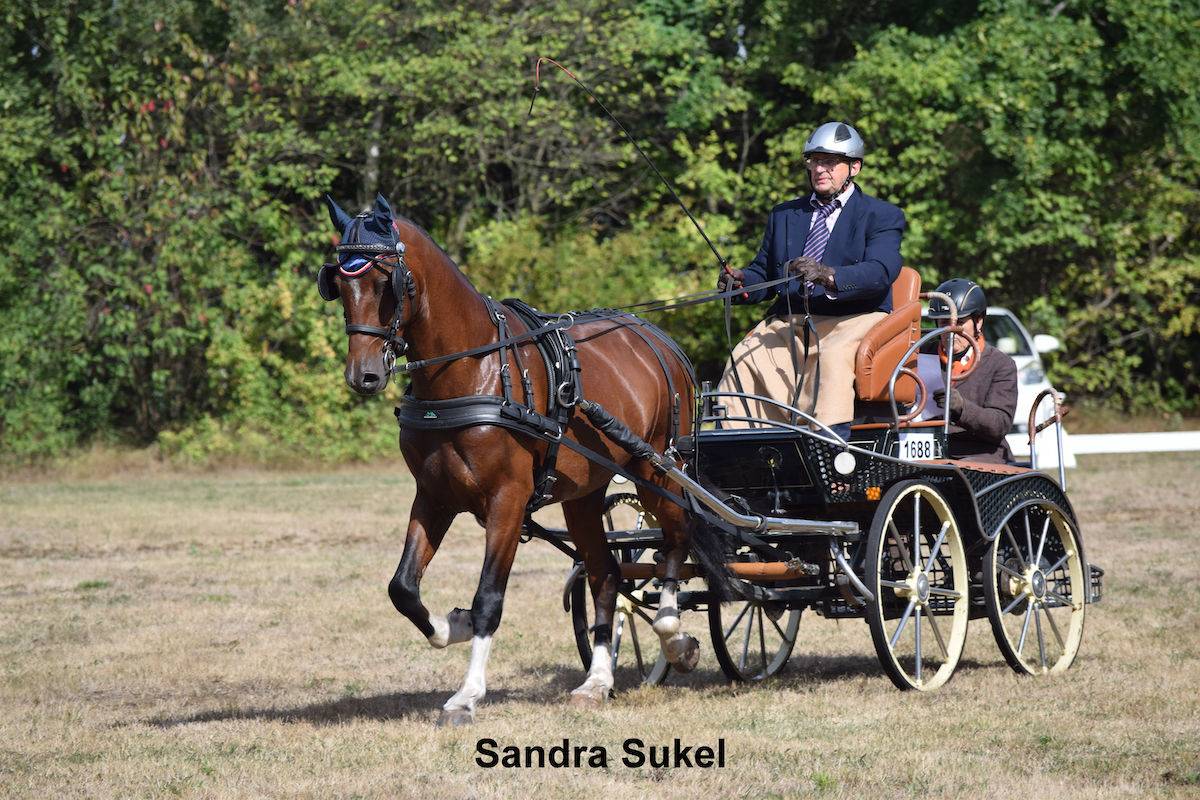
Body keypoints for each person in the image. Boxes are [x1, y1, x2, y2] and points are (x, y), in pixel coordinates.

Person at [717, 121, 905, 439]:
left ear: (854, 167)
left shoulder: (881, 215)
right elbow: (764, 271)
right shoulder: (784, 214)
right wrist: (741, 284)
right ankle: (740, 445)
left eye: (830, 162)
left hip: (854, 318)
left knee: (832, 357)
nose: (819, 169)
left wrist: (827, 275)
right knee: (744, 355)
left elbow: (881, 271)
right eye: (814, 161)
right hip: (792, 319)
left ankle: (828, 444)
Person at [924, 279, 1018, 463]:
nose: (950, 330)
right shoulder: (921, 354)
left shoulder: (1001, 364)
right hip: (929, 450)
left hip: (981, 453)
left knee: (959, 473)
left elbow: (1000, 424)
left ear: (978, 321)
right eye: (944, 322)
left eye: (958, 322)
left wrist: (962, 408)